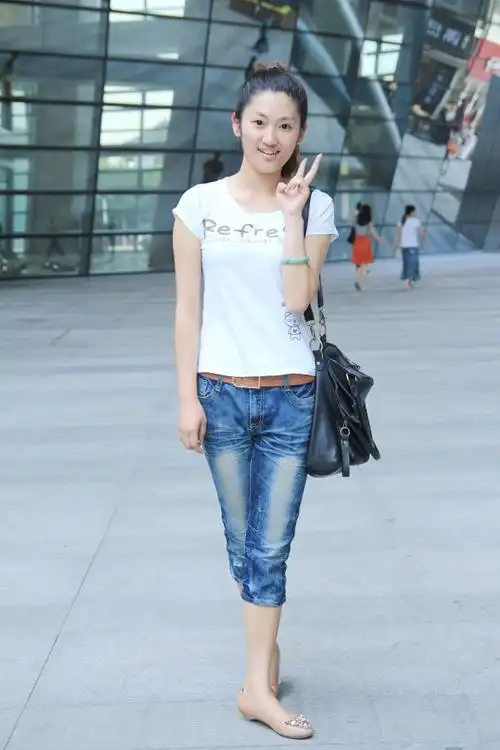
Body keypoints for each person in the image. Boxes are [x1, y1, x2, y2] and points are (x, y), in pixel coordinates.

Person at [172, 61, 338, 740]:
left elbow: (296, 300)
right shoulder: (199, 205)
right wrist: (187, 398)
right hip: (221, 395)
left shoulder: (315, 206)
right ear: (237, 125)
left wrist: (292, 216)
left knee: (270, 547)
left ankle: (255, 691)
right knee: (242, 543)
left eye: (286, 126)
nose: (271, 137)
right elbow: (187, 311)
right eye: (261, 123)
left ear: (300, 134)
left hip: (291, 398)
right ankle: (264, 653)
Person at [351, 203, 383, 291]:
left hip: (357, 241)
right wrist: (379, 238)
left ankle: (358, 279)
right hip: (365, 241)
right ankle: (360, 278)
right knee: (365, 263)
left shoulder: (356, 218)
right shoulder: (369, 221)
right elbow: (373, 231)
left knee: (359, 262)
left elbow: (353, 227)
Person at [394, 204, 425, 288]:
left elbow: (397, 234)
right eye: (415, 211)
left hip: (404, 246)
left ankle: (409, 281)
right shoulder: (415, 221)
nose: (416, 213)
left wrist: (397, 245)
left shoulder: (401, 221)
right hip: (412, 246)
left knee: (407, 264)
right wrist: (423, 238)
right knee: (413, 264)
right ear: (411, 212)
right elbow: (420, 233)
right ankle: (409, 281)